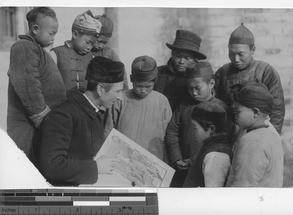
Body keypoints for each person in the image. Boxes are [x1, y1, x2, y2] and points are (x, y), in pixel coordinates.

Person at [39, 56, 124, 186]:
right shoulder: (63, 116)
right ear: (100, 89)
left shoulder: (94, 112)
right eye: (117, 91)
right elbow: (52, 166)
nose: (120, 98)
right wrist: (95, 167)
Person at [7, 7, 66, 164]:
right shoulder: (24, 47)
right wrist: (45, 120)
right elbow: (28, 85)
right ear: (35, 29)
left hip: (40, 128)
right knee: (28, 172)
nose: (54, 37)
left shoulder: (37, 49)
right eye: (51, 33)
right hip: (29, 130)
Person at [164, 61, 229, 187]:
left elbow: (224, 141)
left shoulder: (221, 108)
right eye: (190, 89)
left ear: (211, 84)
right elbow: (172, 131)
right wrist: (176, 158)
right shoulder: (184, 106)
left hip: (209, 167)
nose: (193, 93)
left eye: (197, 88)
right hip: (182, 169)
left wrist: (193, 161)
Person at [214, 23, 285, 135]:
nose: (236, 59)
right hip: (226, 135)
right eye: (231, 54)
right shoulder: (223, 72)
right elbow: (214, 104)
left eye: (241, 54)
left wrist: (271, 137)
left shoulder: (265, 71)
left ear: (253, 50)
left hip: (258, 133)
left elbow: (276, 110)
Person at [109, 56, 172, 161]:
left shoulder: (162, 101)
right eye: (139, 86)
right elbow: (108, 130)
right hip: (123, 157)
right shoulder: (120, 99)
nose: (143, 90)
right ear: (131, 79)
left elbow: (169, 134)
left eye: (147, 86)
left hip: (153, 158)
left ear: (155, 81)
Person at [226, 82, 284, 187]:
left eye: (237, 112)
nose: (235, 116)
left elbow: (242, 185)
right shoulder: (270, 134)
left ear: (255, 112)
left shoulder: (252, 141)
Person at [50, 10, 102, 97]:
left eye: (92, 44)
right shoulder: (56, 54)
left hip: (84, 106)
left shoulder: (92, 58)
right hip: (62, 105)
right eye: (87, 42)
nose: (89, 47)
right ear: (75, 34)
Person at [154, 29, 207, 112]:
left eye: (187, 58)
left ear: (195, 60)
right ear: (172, 54)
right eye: (178, 56)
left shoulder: (202, 77)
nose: (181, 62)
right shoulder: (158, 73)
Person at [183, 104, 233, 187]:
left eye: (195, 128)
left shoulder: (216, 155)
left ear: (211, 129)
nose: (193, 132)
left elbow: (212, 193)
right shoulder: (210, 147)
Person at [92, 13, 129, 90]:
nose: (101, 46)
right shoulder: (83, 50)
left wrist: (124, 92)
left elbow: (121, 72)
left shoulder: (109, 52)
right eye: (99, 41)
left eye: (104, 43)